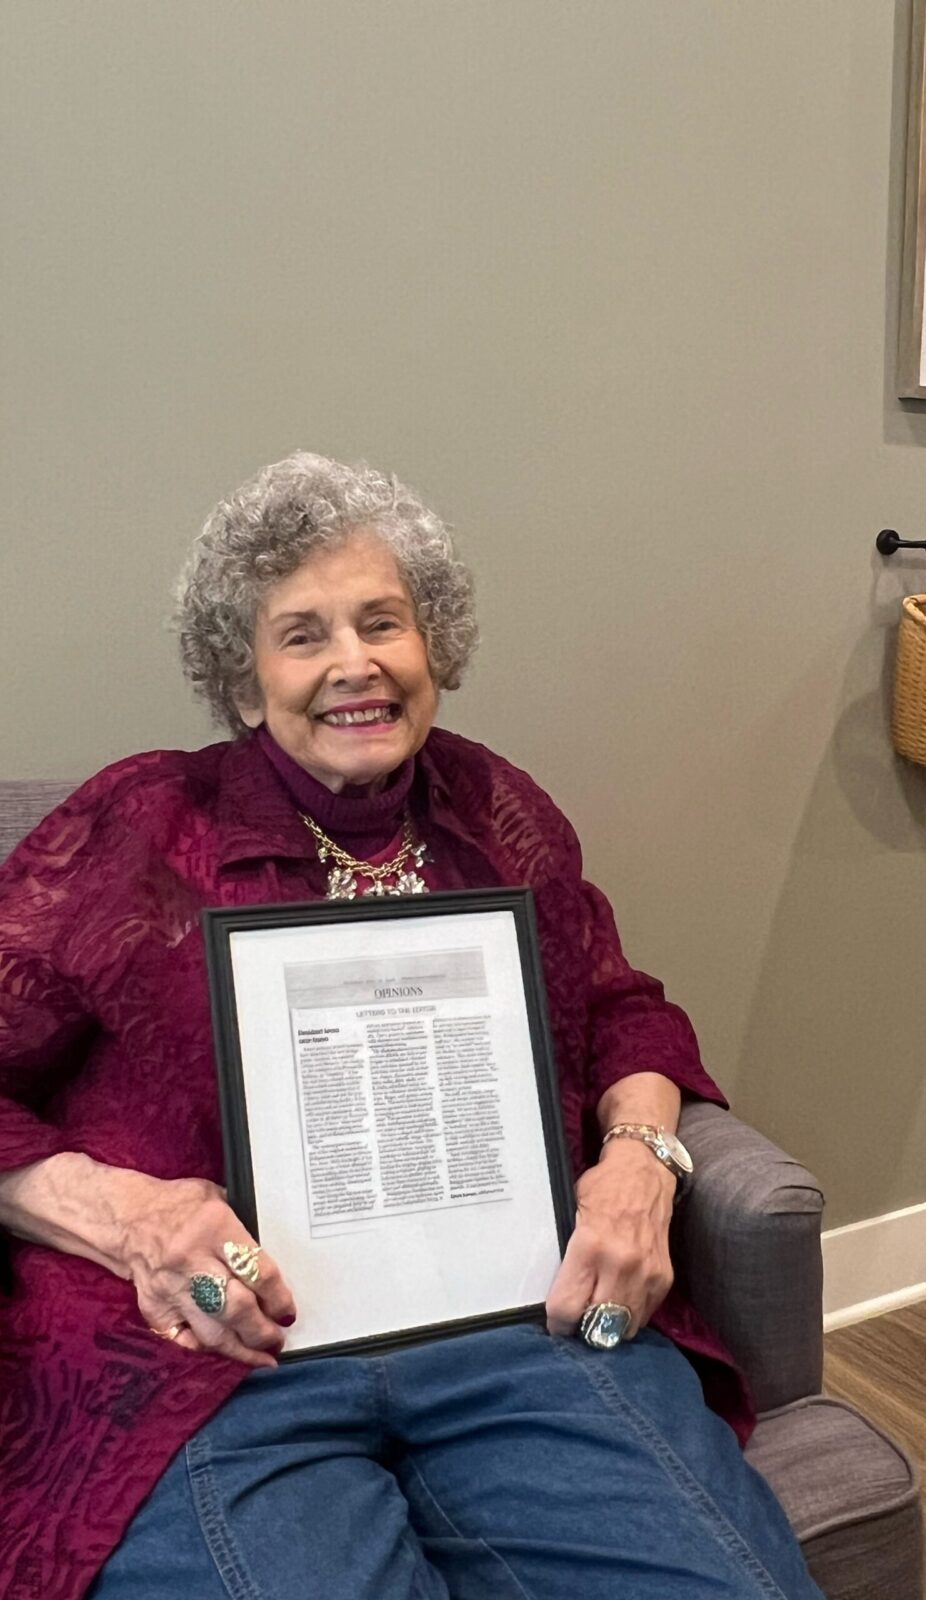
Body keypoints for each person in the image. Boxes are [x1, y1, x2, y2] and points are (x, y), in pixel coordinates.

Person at [0, 452, 826, 1600]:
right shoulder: (142, 826)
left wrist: (641, 1162)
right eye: (303, 634)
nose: (356, 663)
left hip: (509, 1320)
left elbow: (622, 1005)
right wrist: (126, 1213)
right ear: (243, 683)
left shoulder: (499, 810)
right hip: (217, 1349)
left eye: (383, 621)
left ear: (432, 642)